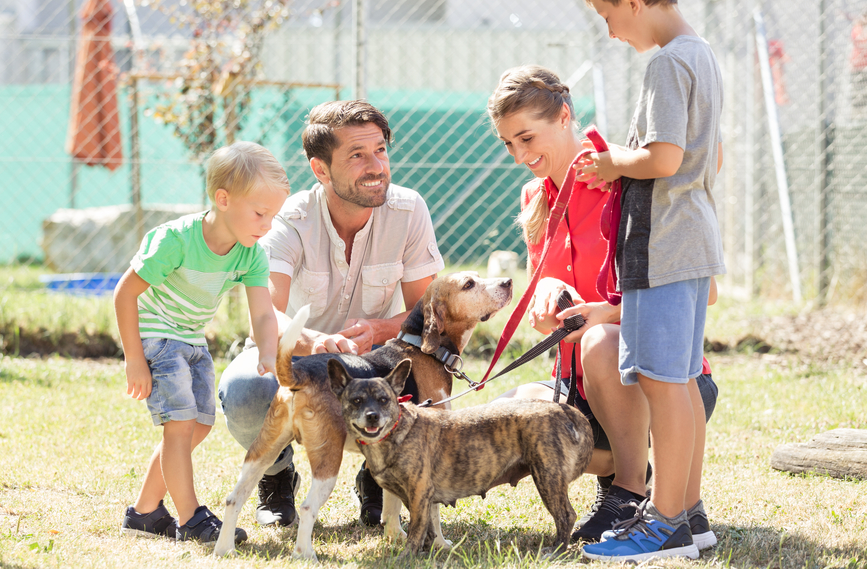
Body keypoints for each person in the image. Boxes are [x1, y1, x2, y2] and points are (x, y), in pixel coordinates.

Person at [487, 65, 719, 544]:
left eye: (528, 138)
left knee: (598, 339)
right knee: (506, 417)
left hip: (663, 384)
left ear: (565, 116)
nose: (520, 156)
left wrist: (605, 314)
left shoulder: (627, 179)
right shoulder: (536, 195)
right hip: (579, 387)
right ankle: (624, 474)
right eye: (509, 144)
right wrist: (548, 304)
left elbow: (704, 293)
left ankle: (629, 492)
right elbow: (551, 284)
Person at [217, 99, 445, 529]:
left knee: (427, 377)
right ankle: (277, 476)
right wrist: (317, 342)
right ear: (320, 170)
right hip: (300, 356)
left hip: (377, 364)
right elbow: (266, 313)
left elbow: (428, 312)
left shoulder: (409, 209)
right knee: (247, 389)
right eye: (357, 156)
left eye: (380, 150)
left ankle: (379, 474)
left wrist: (380, 327)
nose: (376, 166)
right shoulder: (288, 218)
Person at [574, 0, 727, 561]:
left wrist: (612, 163)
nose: (612, 32)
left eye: (610, 17)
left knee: (663, 384)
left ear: (633, 1)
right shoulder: (702, 53)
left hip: (662, 246)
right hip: (690, 241)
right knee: (681, 381)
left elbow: (664, 158)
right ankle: (688, 517)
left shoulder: (665, 61)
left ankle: (663, 524)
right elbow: (706, 154)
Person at [115, 141, 290, 543]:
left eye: (273, 216)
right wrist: (134, 360)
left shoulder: (250, 254)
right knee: (179, 427)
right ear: (223, 199)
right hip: (157, 337)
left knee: (199, 426)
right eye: (260, 213)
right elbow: (125, 294)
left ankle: (144, 513)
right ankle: (192, 518)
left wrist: (267, 351)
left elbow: (264, 313)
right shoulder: (174, 240)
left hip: (192, 341)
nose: (266, 225)